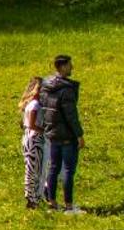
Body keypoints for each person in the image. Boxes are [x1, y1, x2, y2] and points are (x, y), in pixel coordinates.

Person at [39, 53, 86, 213]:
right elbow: (71, 116)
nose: (72, 67)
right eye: (69, 65)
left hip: (52, 135)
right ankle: (69, 206)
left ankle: (52, 202)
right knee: (68, 171)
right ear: (62, 66)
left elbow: (44, 109)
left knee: (53, 168)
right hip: (67, 137)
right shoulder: (66, 90)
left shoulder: (46, 86)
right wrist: (79, 135)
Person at [19, 76, 46, 210]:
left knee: (31, 168)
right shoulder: (35, 105)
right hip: (35, 139)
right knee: (36, 169)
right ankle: (33, 198)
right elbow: (32, 124)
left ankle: (31, 196)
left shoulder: (28, 104)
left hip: (28, 138)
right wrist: (45, 130)